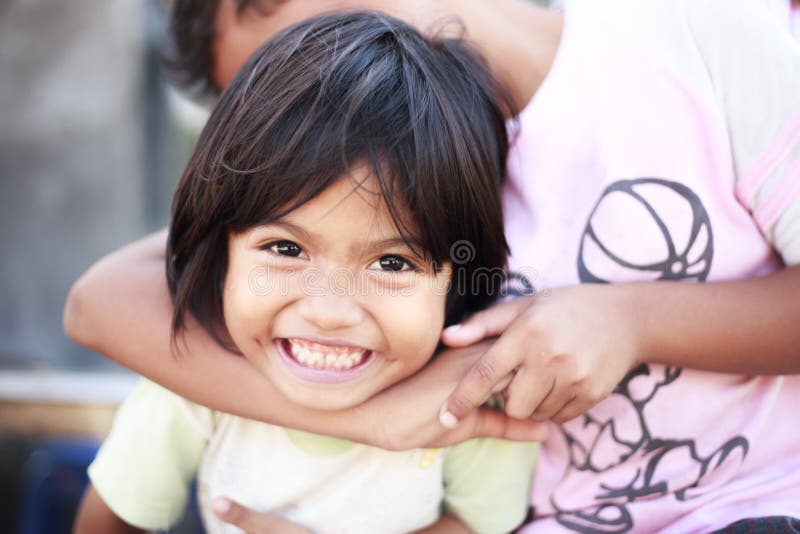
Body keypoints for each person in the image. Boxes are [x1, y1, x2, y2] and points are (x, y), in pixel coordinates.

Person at [64, 0, 800, 531]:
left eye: (277, 68)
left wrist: (631, 321)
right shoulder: (350, 195)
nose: (293, 117)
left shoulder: (694, 34)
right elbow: (98, 304)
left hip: (755, 504)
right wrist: (379, 418)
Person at [73, 12, 537, 534]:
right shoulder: (186, 388)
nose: (329, 311)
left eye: (392, 262)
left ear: (456, 278)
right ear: (222, 254)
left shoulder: (465, 410)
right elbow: (110, 519)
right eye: (286, 249)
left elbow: (482, 523)